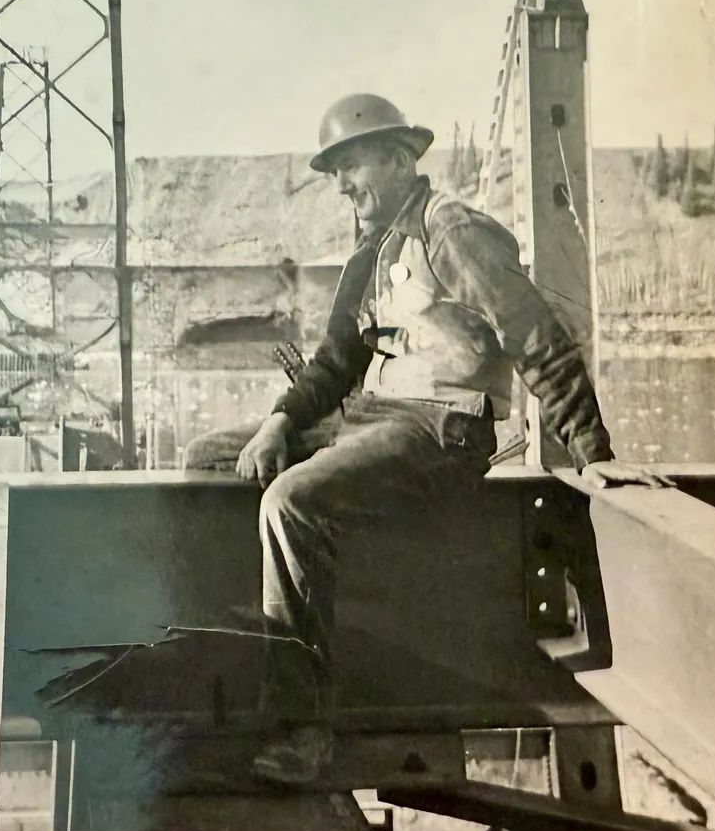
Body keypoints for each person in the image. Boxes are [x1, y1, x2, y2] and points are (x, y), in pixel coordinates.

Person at [182, 93, 664, 786]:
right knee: (207, 459)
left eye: (352, 167)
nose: (342, 187)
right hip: (373, 417)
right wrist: (280, 421)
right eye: (335, 174)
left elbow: (534, 336)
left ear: (400, 160)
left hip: (442, 428)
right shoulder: (374, 249)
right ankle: (239, 665)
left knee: (292, 501)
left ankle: (302, 726)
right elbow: (336, 361)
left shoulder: (453, 232)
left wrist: (594, 454)